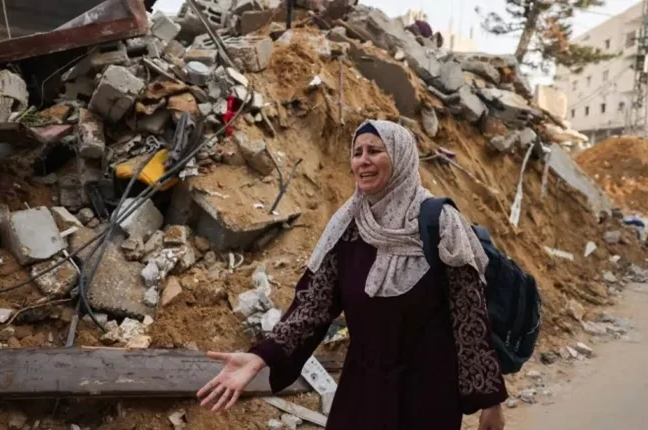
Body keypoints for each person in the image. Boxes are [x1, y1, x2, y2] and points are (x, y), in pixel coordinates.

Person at [197, 120, 508, 429]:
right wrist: (262, 356)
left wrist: (490, 402)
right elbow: (312, 308)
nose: (363, 160)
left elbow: (469, 317)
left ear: (401, 157)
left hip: (427, 397)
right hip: (364, 390)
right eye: (357, 153)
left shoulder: (442, 223)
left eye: (374, 151)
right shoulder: (347, 227)